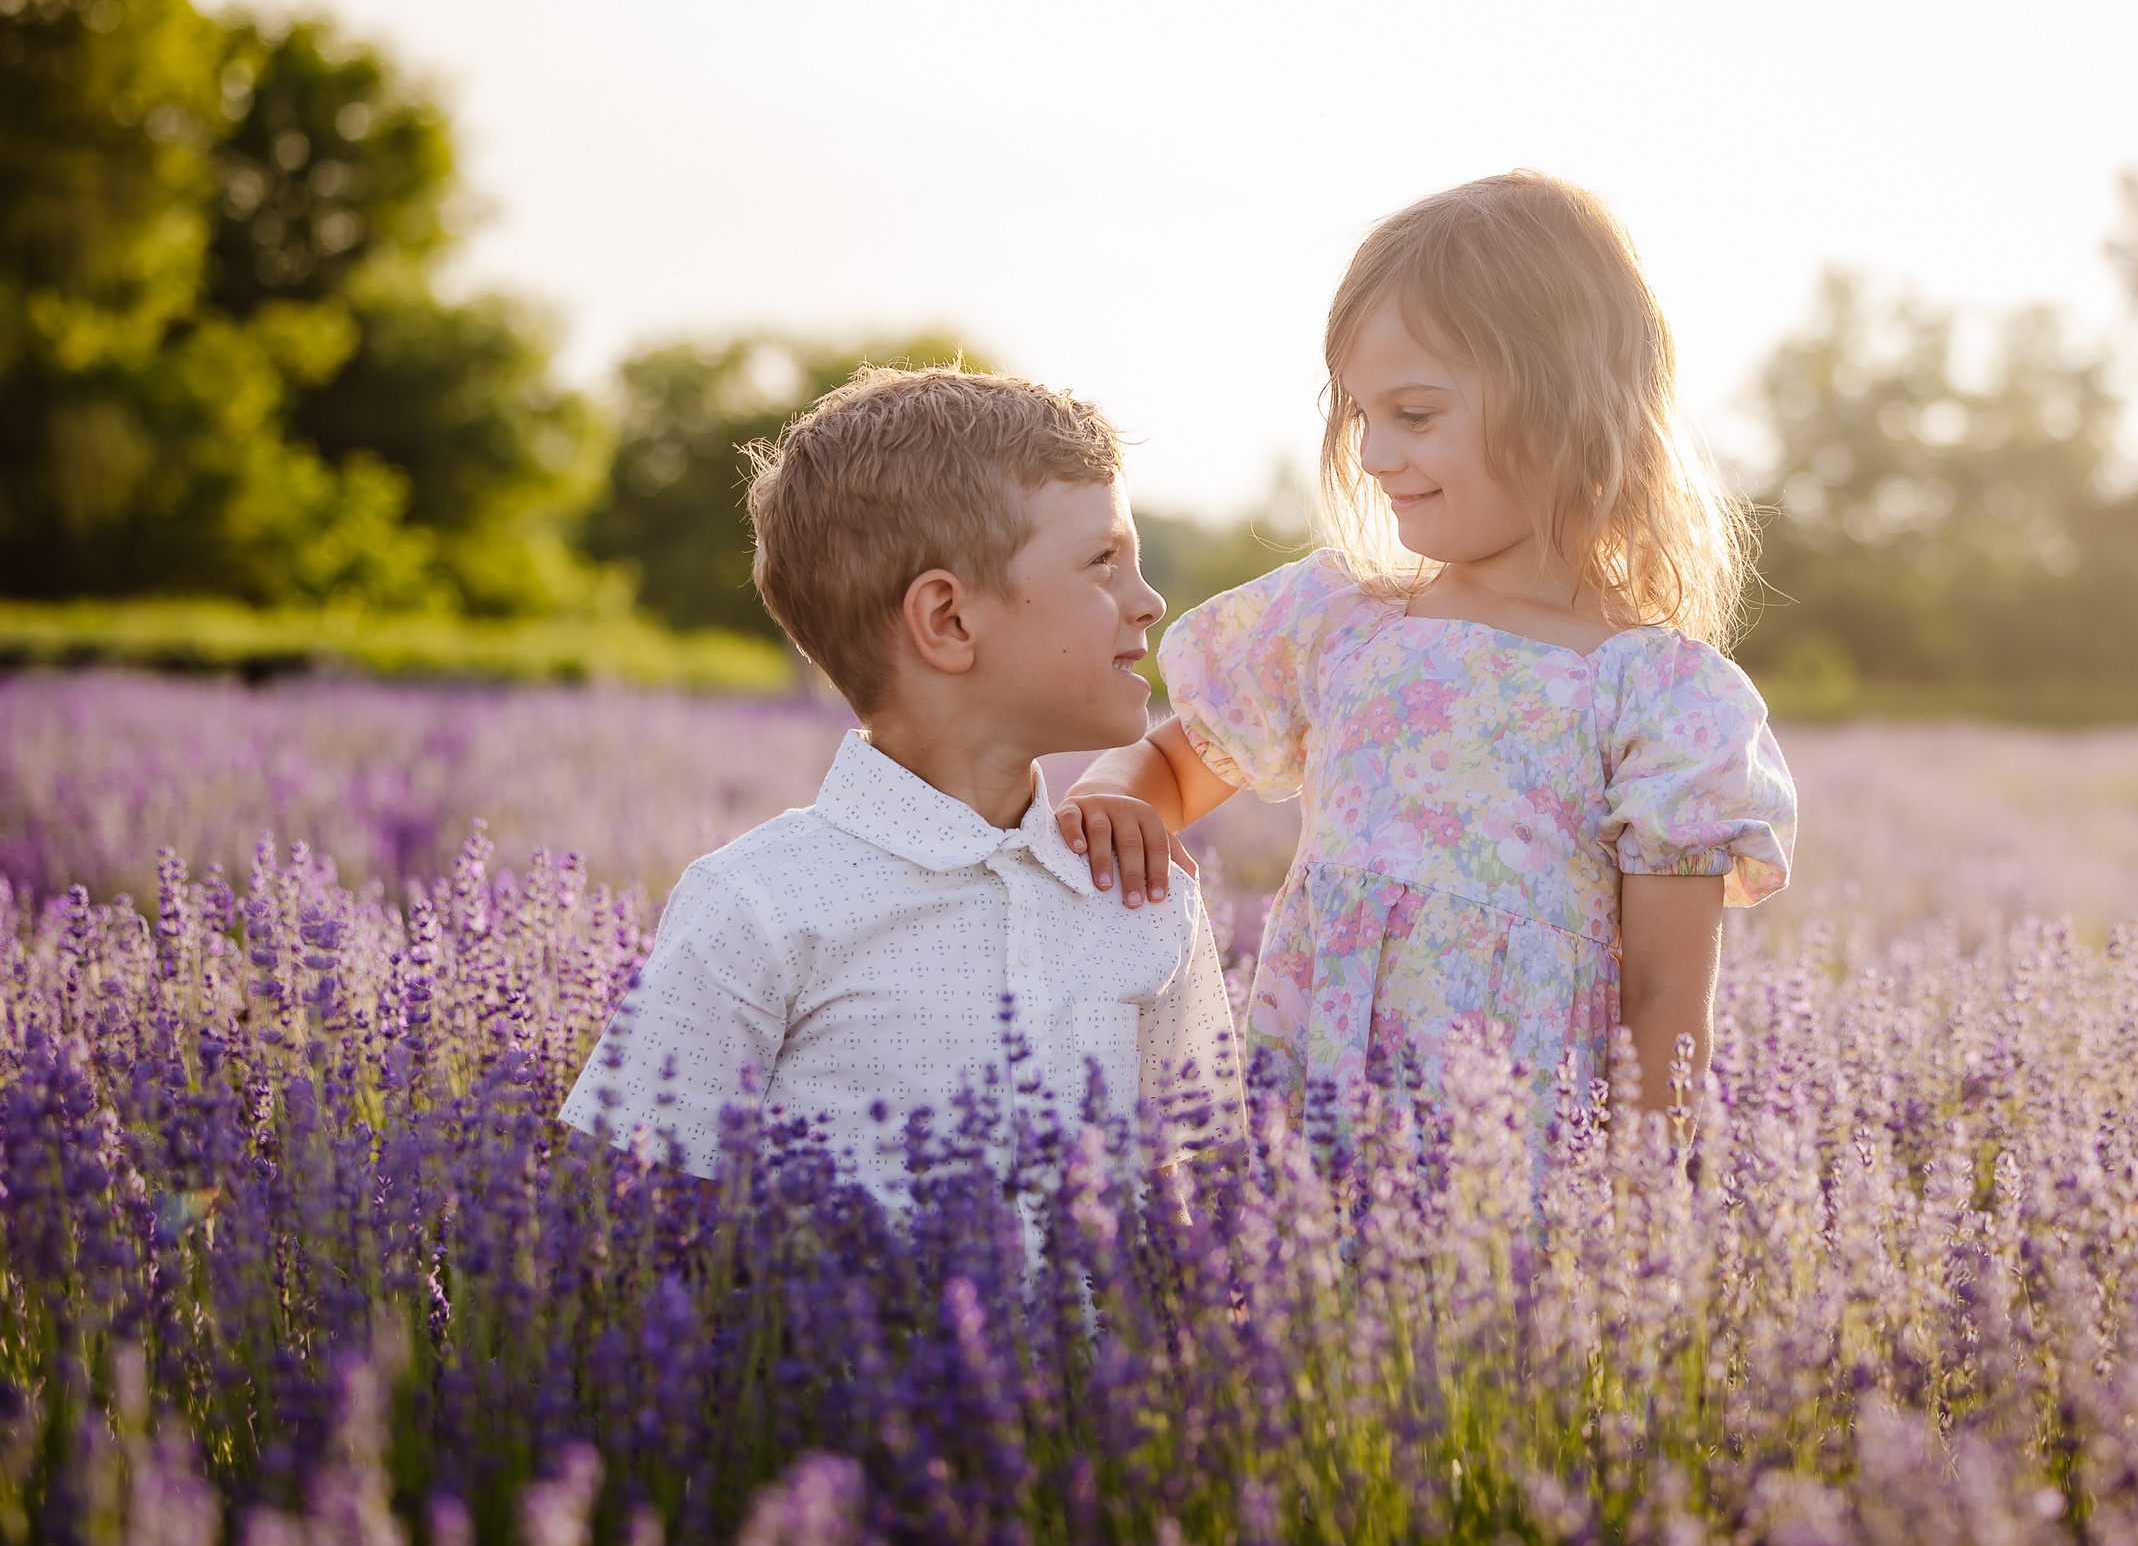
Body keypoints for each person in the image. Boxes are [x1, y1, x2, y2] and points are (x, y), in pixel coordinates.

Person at [1061, 172, 1795, 1136]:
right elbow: (1173, 763)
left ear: (1565, 405)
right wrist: (1118, 793)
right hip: (1314, 1119)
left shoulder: (1663, 696)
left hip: (1519, 1151)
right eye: (1361, 416)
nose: (1372, 455)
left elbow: (1665, 1001)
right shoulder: (1342, 623)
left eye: (1412, 415)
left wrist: (1639, 1197)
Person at [559, 368, 1238, 1194]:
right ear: (948, 620)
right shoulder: (758, 905)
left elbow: (1183, 1201)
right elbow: (630, 1208)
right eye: (1103, 562)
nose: (1151, 600)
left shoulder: (1145, 893)